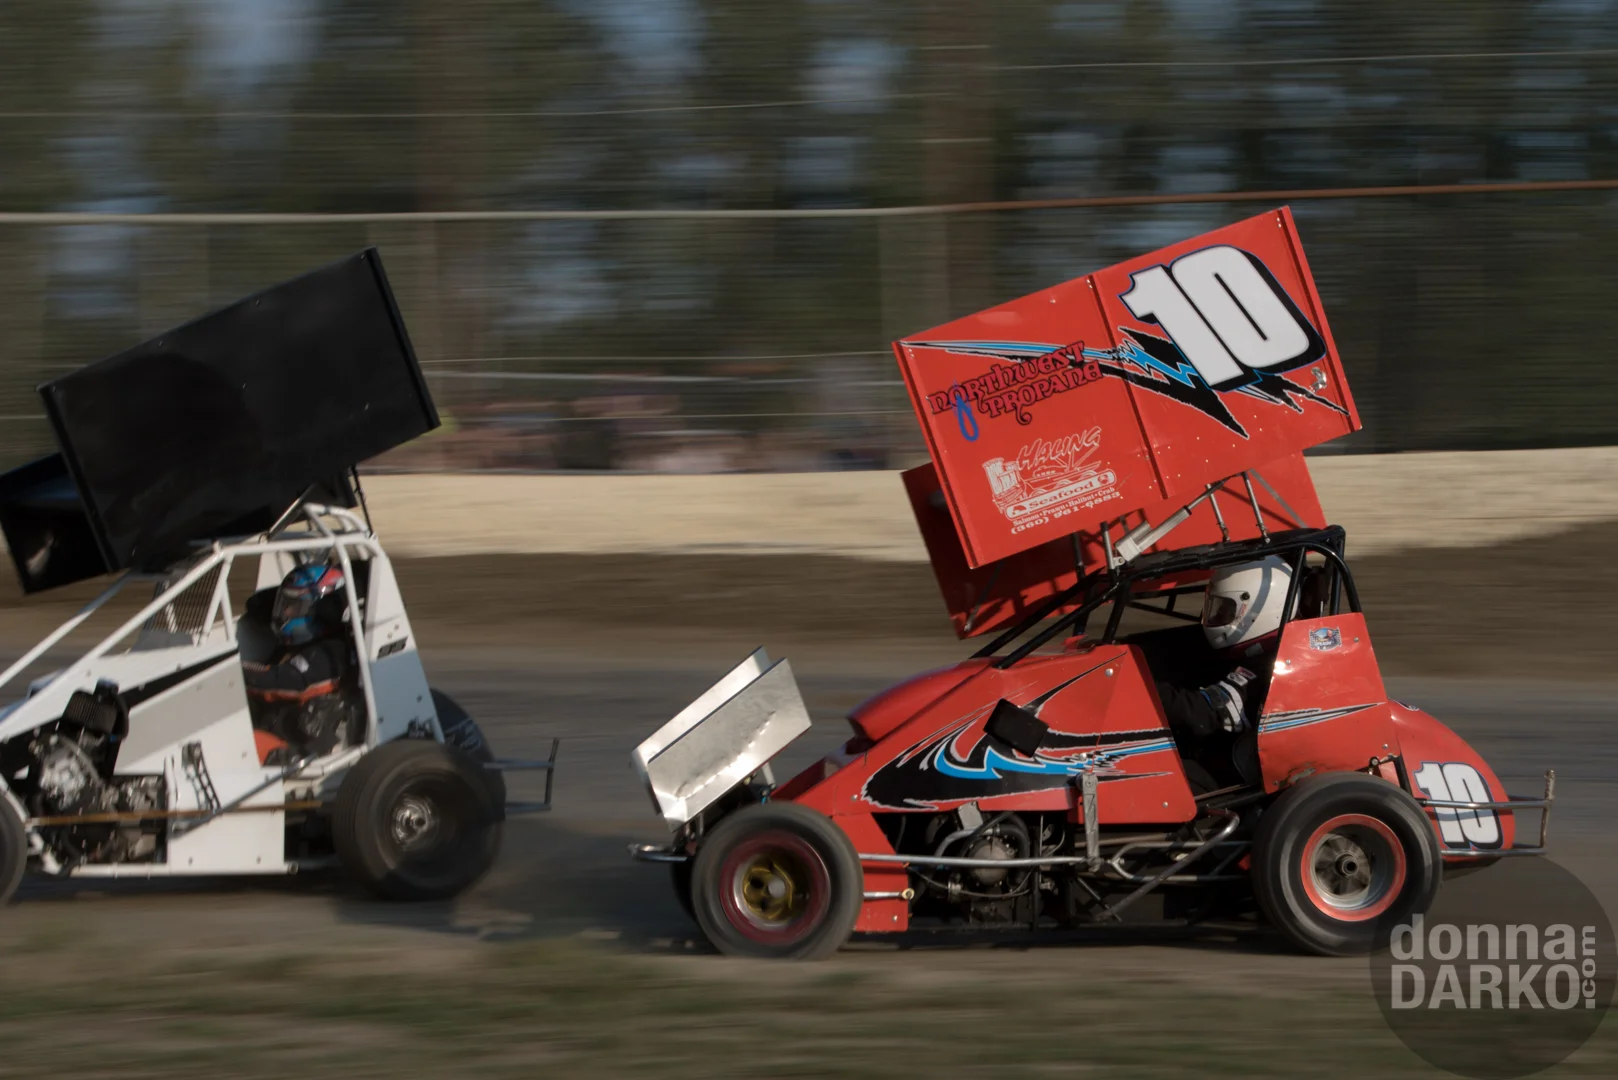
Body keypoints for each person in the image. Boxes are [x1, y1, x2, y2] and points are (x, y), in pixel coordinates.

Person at [1154, 556, 1292, 753]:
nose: (1217, 615)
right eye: (1218, 607)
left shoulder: (1270, 666)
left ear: (1260, 611)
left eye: (1226, 610)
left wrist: (1146, 690)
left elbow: (1203, 714)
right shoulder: (1248, 652)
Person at [242, 561, 357, 761]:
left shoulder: (330, 653)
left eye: (293, 607)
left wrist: (233, 674)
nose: (285, 613)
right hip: (276, 733)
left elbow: (283, 681)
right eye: (284, 604)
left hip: (297, 750)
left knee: (238, 744)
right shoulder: (296, 647)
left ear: (323, 610)